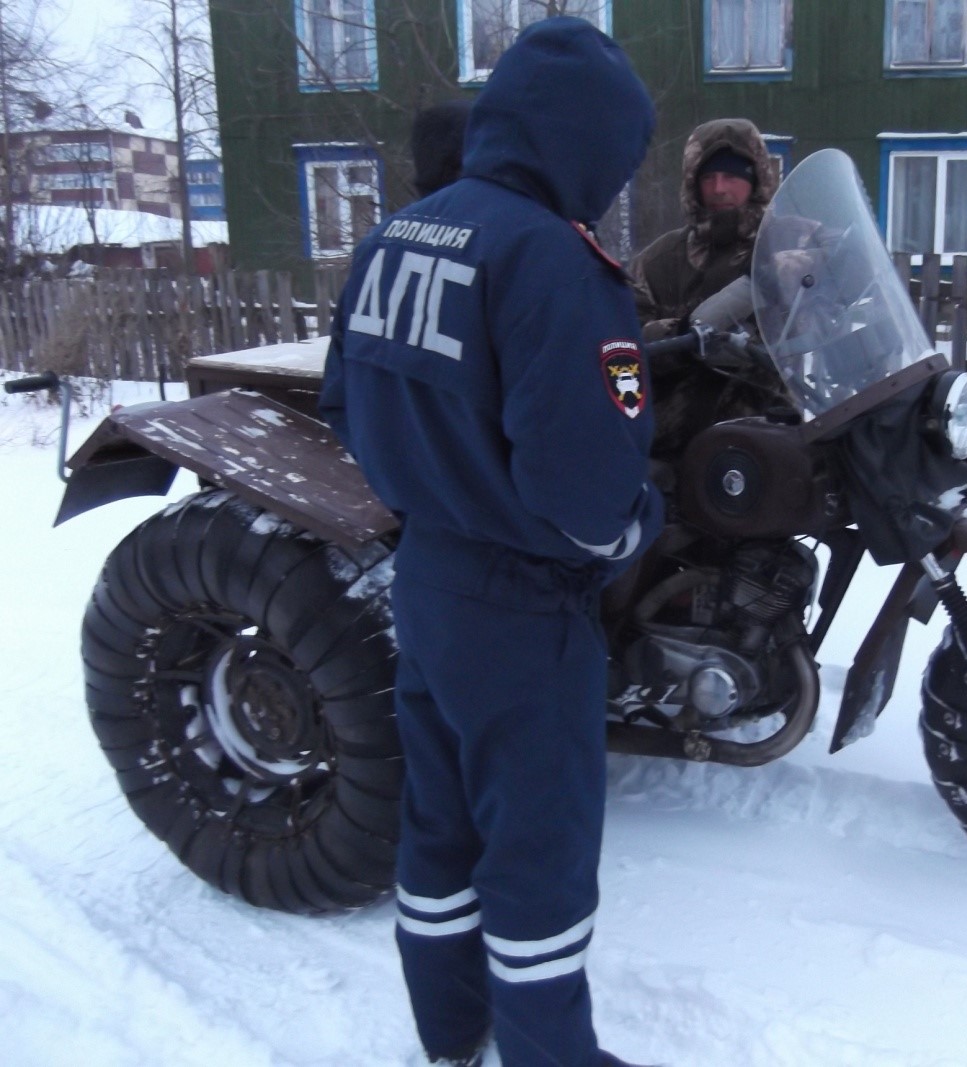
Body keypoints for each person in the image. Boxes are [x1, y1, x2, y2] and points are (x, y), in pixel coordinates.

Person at [318, 18, 662, 1067]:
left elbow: (344, 403)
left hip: (422, 580)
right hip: (522, 608)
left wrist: (441, 481)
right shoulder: (558, 265)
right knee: (538, 850)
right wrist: (639, 521)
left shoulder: (399, 237)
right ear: (590, 143)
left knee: (441, 830)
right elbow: (587, 497)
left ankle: (449, 1033)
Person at [628, 118, 783, 458]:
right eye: (708, 177)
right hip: (678, 454)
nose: (719, 189)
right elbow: (626, 348)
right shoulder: (659, 261)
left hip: (780, 447)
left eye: (732, 176)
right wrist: (681, 336)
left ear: (757, 179)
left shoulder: (793, 247)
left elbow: (838, 334)